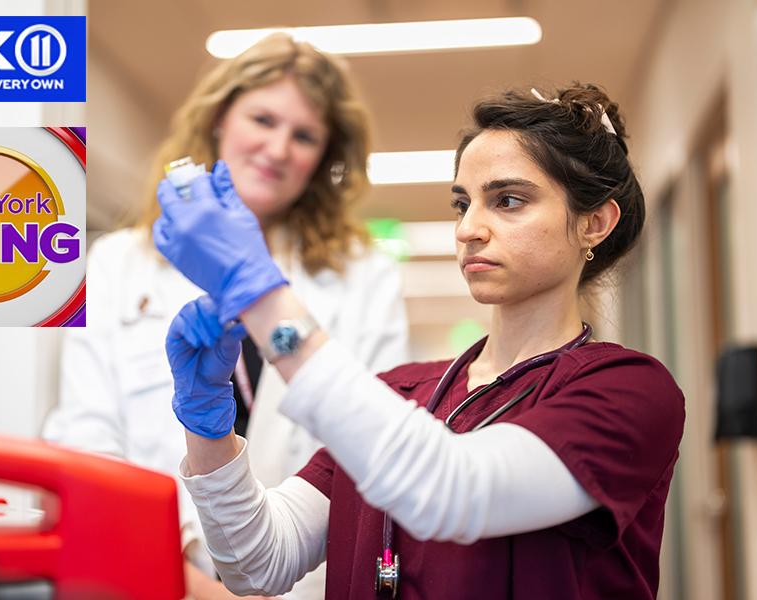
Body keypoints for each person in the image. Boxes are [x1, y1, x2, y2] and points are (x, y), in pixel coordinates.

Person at [155, 83, 686, 599]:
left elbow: (456, 490)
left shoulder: (630, 392)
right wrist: (208, 427)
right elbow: (259, 561)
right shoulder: (402, 390)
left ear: (595, 222)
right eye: (462, 204)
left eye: (507, 200)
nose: (469, 229)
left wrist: (260, 296)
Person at [42, 33, 409, 600]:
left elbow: (372, 444)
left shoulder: (364, 276)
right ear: (218, 119)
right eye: (263, 119)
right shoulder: (119, 263)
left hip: (303, 581)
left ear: (323, 158)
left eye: (304, 136)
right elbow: (86, 440)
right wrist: (185, 582)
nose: (278, 148)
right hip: (153, 575)